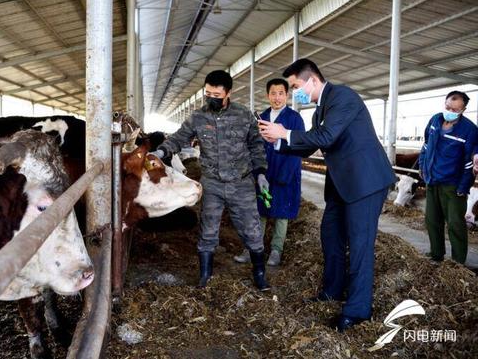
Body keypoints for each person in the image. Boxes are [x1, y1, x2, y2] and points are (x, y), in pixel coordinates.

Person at [259, 58, 395, 332]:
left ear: (312, 80)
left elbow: (326, 137)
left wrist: (285, 131)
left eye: (295, 86)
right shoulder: (320, 110)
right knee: (330, 236)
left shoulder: (343, 96)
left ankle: (358, 310)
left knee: (359, 245)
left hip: (365, 183)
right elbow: (310, 146)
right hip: (341, 184)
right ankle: (333, 289)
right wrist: (278, 143)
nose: (295, 92)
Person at [151, 70, 271, 291]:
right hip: (212, 183)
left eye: (216, 94)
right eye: (207, 93)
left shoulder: (244, 115)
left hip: (241, 183)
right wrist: (161, 152)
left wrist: (261, 172)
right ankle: (205, 276)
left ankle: (260, 274)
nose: (211, 97)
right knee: (207, 230)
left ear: (228, 93)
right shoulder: (198, 117)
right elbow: (179, 138)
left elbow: (256, 146)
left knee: (252, 231)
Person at [234, 78, 305, 266]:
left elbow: (300, 147)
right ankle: (253, 248)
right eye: (273, 93)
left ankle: (276, 250)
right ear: (267, 95)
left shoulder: (294, 119)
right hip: (264, 173)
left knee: (282, 213)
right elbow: (253, 147)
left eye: (281, 93)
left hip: (286, 172)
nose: (277, 97)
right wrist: (258, 173)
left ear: (287, 95)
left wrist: (284, 176)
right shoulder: (260, 118)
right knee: (259, 212)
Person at [419, 91, 477, 264]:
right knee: (432, 220)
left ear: (463, 109)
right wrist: (422, 166)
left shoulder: (470, 130)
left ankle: (457, 261)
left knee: (455, 224)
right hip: (432, 180)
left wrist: (463, 187)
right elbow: (426, 145)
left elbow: (469, 162)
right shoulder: (435, 120)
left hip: (453, 185)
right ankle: (436, 253)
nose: (450, 111)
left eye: (455, 109)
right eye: (447, 107)